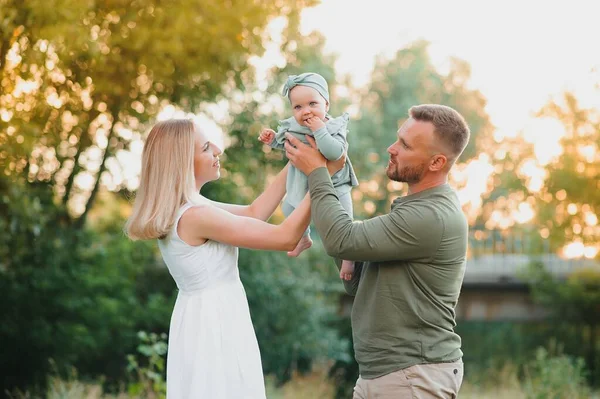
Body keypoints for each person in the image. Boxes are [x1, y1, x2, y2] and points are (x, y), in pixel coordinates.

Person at [124, 119, 343, 398]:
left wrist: (298, 157)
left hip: (207, 315)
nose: (218, 150)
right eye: (205, 147)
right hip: (213, 324)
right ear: (181, 162)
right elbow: (285, 237)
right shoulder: (195, 216)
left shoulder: (191, 207)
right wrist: (321, 176)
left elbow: (254, 213)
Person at [284, 104, 471, 398]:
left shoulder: (431, 217)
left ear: (436, 162)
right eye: (398, 138)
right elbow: (356, 280)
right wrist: (329, 176)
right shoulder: (415, 210)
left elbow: (340, 239)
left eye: (405, 145)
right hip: (385, 375)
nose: (391, 148)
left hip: (412, 376)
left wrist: (318, 171)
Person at [259, 72, 359, 280]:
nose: (306, 112)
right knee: (287, 208)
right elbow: (287, 143)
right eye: (298, 107)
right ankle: (303, 238)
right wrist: (272, 141)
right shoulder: (294, 127)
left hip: (335, 183)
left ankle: (349, 257)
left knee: (344, 219)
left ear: (326, 105)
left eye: (312, 104)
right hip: (304, 183)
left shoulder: (333, 127)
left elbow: (334, 153)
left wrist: (320, 131)